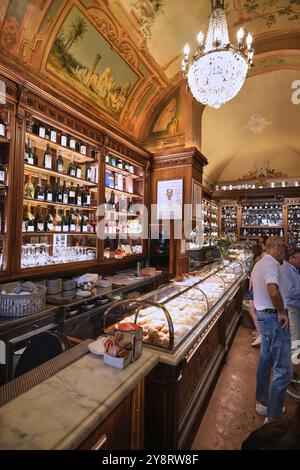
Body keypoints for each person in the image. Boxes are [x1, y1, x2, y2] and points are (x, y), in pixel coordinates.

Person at [251, 237, 293, 423]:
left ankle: (262, 402)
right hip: (274, 318)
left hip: (264, 317)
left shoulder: (259, 263)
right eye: (283, 247)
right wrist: (282, 311)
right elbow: (273, 290)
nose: (285, 250)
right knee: (283, 370)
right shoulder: (270, 263)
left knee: (266, 360)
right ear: (276, 248)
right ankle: (273, 416)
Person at [280, 247, 300, 395]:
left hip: (295, 307)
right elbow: (289, 292)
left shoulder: (293, 268)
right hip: (292, 308)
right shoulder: (286, 270)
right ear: (291, 257)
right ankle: (290, 377)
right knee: (294, 341)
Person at [248, 244, 263, 346]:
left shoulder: (256, 262)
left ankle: (260, 333)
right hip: (257, 288)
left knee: (252, 310)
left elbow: (252, 275)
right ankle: (259, 331)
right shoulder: (261, 260)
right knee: (255, 310)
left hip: (253, 288)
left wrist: (250, 288)